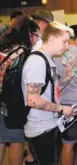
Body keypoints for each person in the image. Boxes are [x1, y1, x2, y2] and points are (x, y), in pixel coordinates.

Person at [21, 22, 74, 165]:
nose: (67, 46)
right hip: (40, 128)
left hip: (48, 125)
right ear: (51, 38)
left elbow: (50, 90)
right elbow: (32, 100)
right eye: (64, 41)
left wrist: (68, 78)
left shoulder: (46, 58)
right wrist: (61, 108)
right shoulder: (37, 61)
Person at [0, 16, 40, 165]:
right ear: (29, 33)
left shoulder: (4, 47)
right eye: (36, 35)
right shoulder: (23, 52)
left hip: (1, 103)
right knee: (17, 141)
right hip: (13, 106)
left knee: (1, 140)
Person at [53, 25, 77, 165]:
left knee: (57, 144)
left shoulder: (53, 53)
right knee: (68, 145)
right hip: (74, 107)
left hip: (55, 104)